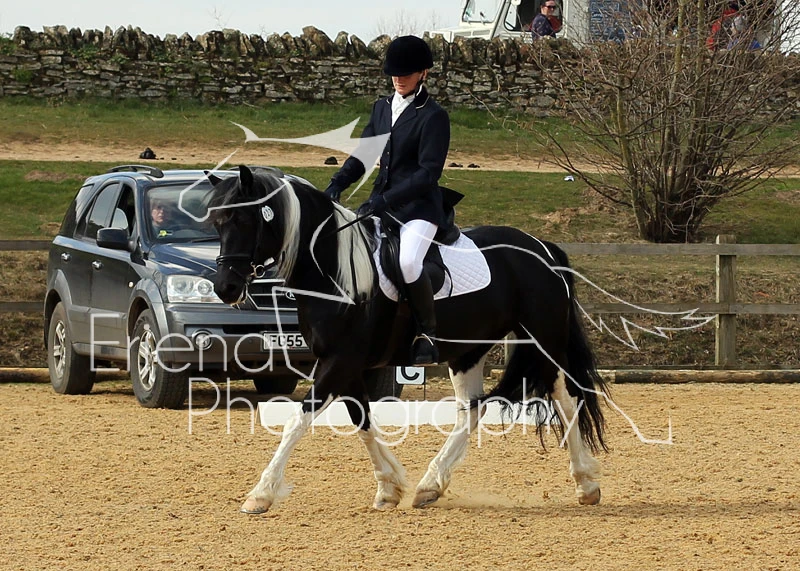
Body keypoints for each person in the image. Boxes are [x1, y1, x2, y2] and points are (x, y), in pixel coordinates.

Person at [323, 35, 450, 365]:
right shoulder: (382, 108)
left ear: (423, 73)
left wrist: (386, 200)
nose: (398, 79)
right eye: (394, 73)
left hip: (418, 209)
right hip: (380, 203)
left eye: (405, 74)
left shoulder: (433, 116)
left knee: (407, 262)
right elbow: (365, 155)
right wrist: (337, 182)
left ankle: (426, 334)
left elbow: (427, 173)